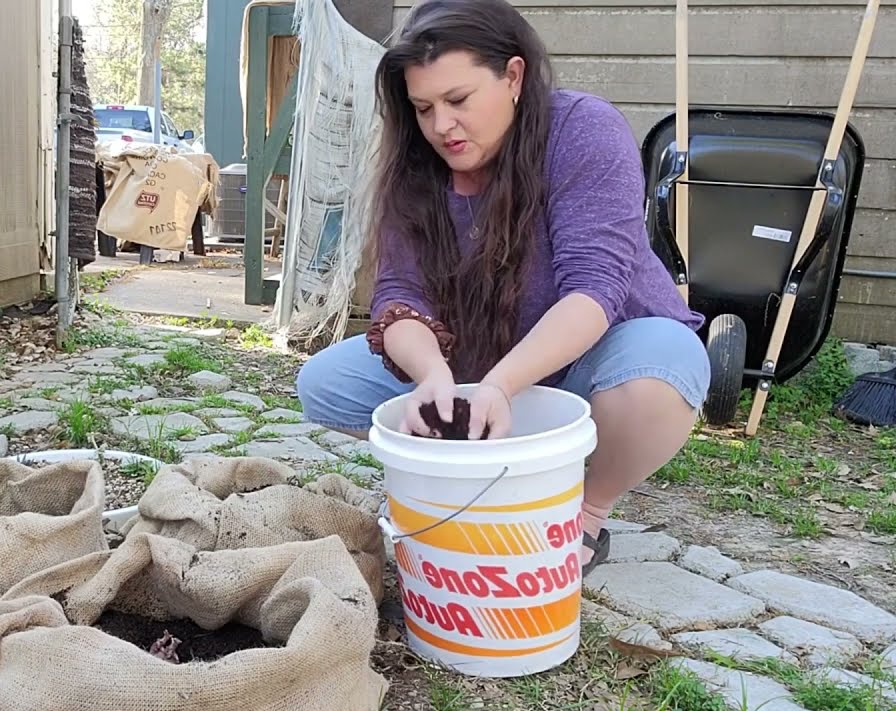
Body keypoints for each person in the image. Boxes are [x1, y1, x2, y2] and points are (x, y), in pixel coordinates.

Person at [295, 0, 711, 574]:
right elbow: (399, 296)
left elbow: (594, 288)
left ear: (513, 77)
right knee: (324, 383)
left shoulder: (582, 129)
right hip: (476, 353)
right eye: (423, 108)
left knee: (665, 365)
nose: (441, 126)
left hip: (592, 352)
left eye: (459, 100)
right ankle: (480, 480)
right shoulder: (416, 163)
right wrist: (435, 377)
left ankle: (582, 515)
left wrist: (501, 384)